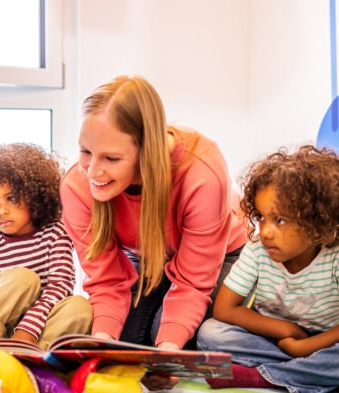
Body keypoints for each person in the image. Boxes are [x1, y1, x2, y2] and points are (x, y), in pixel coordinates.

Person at [60, 74, 247, 351]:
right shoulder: (77, 184)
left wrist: (169, 349)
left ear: (147, 151)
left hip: (223, 254)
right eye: (85, 151)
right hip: (148, 256)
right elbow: (106, 280)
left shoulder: (202, 173)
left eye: (111, 158)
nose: (93, 171)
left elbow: (193, 282)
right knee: (123, 339)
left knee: (169, 331)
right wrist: (101, 342)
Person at [196, 145, 339, 393]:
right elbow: (225, 309)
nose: (266, 231)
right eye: (261, 217)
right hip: (275, 340)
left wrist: (308, 347)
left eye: (279, 220)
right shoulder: (258, 250)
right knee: (211, 333)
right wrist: (285, 331)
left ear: (318, 222)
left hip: (329, 343)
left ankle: (263, 378)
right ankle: (323, 376)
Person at [0, 143, 92, 349]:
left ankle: (31, 356)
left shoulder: (55, 234)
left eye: (11, 198)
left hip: (36, 334)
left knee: (81, 307)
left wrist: (27, 330)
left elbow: (61, 286)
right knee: (23, 278)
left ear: (33, 195)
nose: (1, 211)